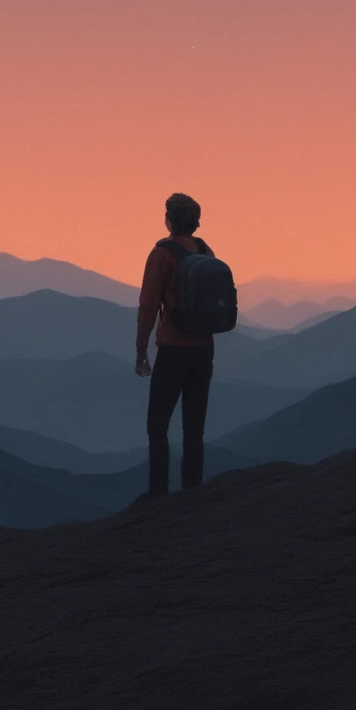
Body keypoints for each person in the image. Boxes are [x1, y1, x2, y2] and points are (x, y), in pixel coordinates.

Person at [135, 191, 215, 495]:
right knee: (194, 428)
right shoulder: (206, 252)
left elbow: (148, 305)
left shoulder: (162, 254)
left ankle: (159, 494)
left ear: (169, 219)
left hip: (173, 348)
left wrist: (142, 350)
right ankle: (193, 491)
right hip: (204, 349)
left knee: (158, 425)